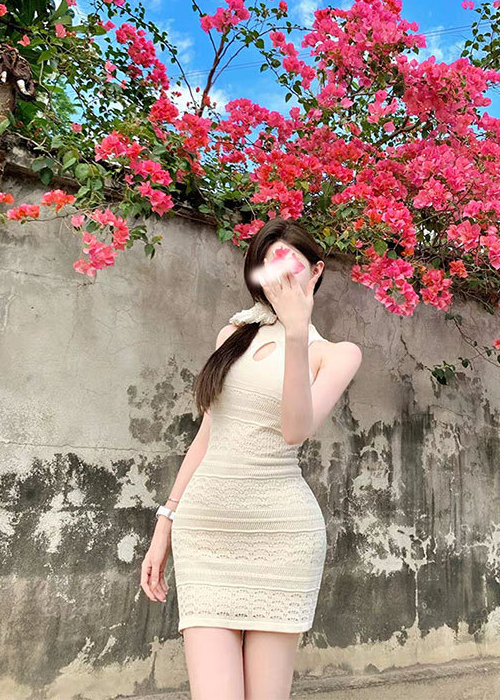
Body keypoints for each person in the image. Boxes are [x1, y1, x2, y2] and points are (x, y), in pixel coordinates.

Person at [140, 217, 362, 700]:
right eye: (267, 266)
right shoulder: (233, 335)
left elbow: (295, 431)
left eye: (290, 266)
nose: (278, 278)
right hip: (206, 533)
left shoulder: (338, 354)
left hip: (282, 537)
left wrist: (298, 334)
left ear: (316, 272)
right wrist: (164, 525)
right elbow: (207, 435)